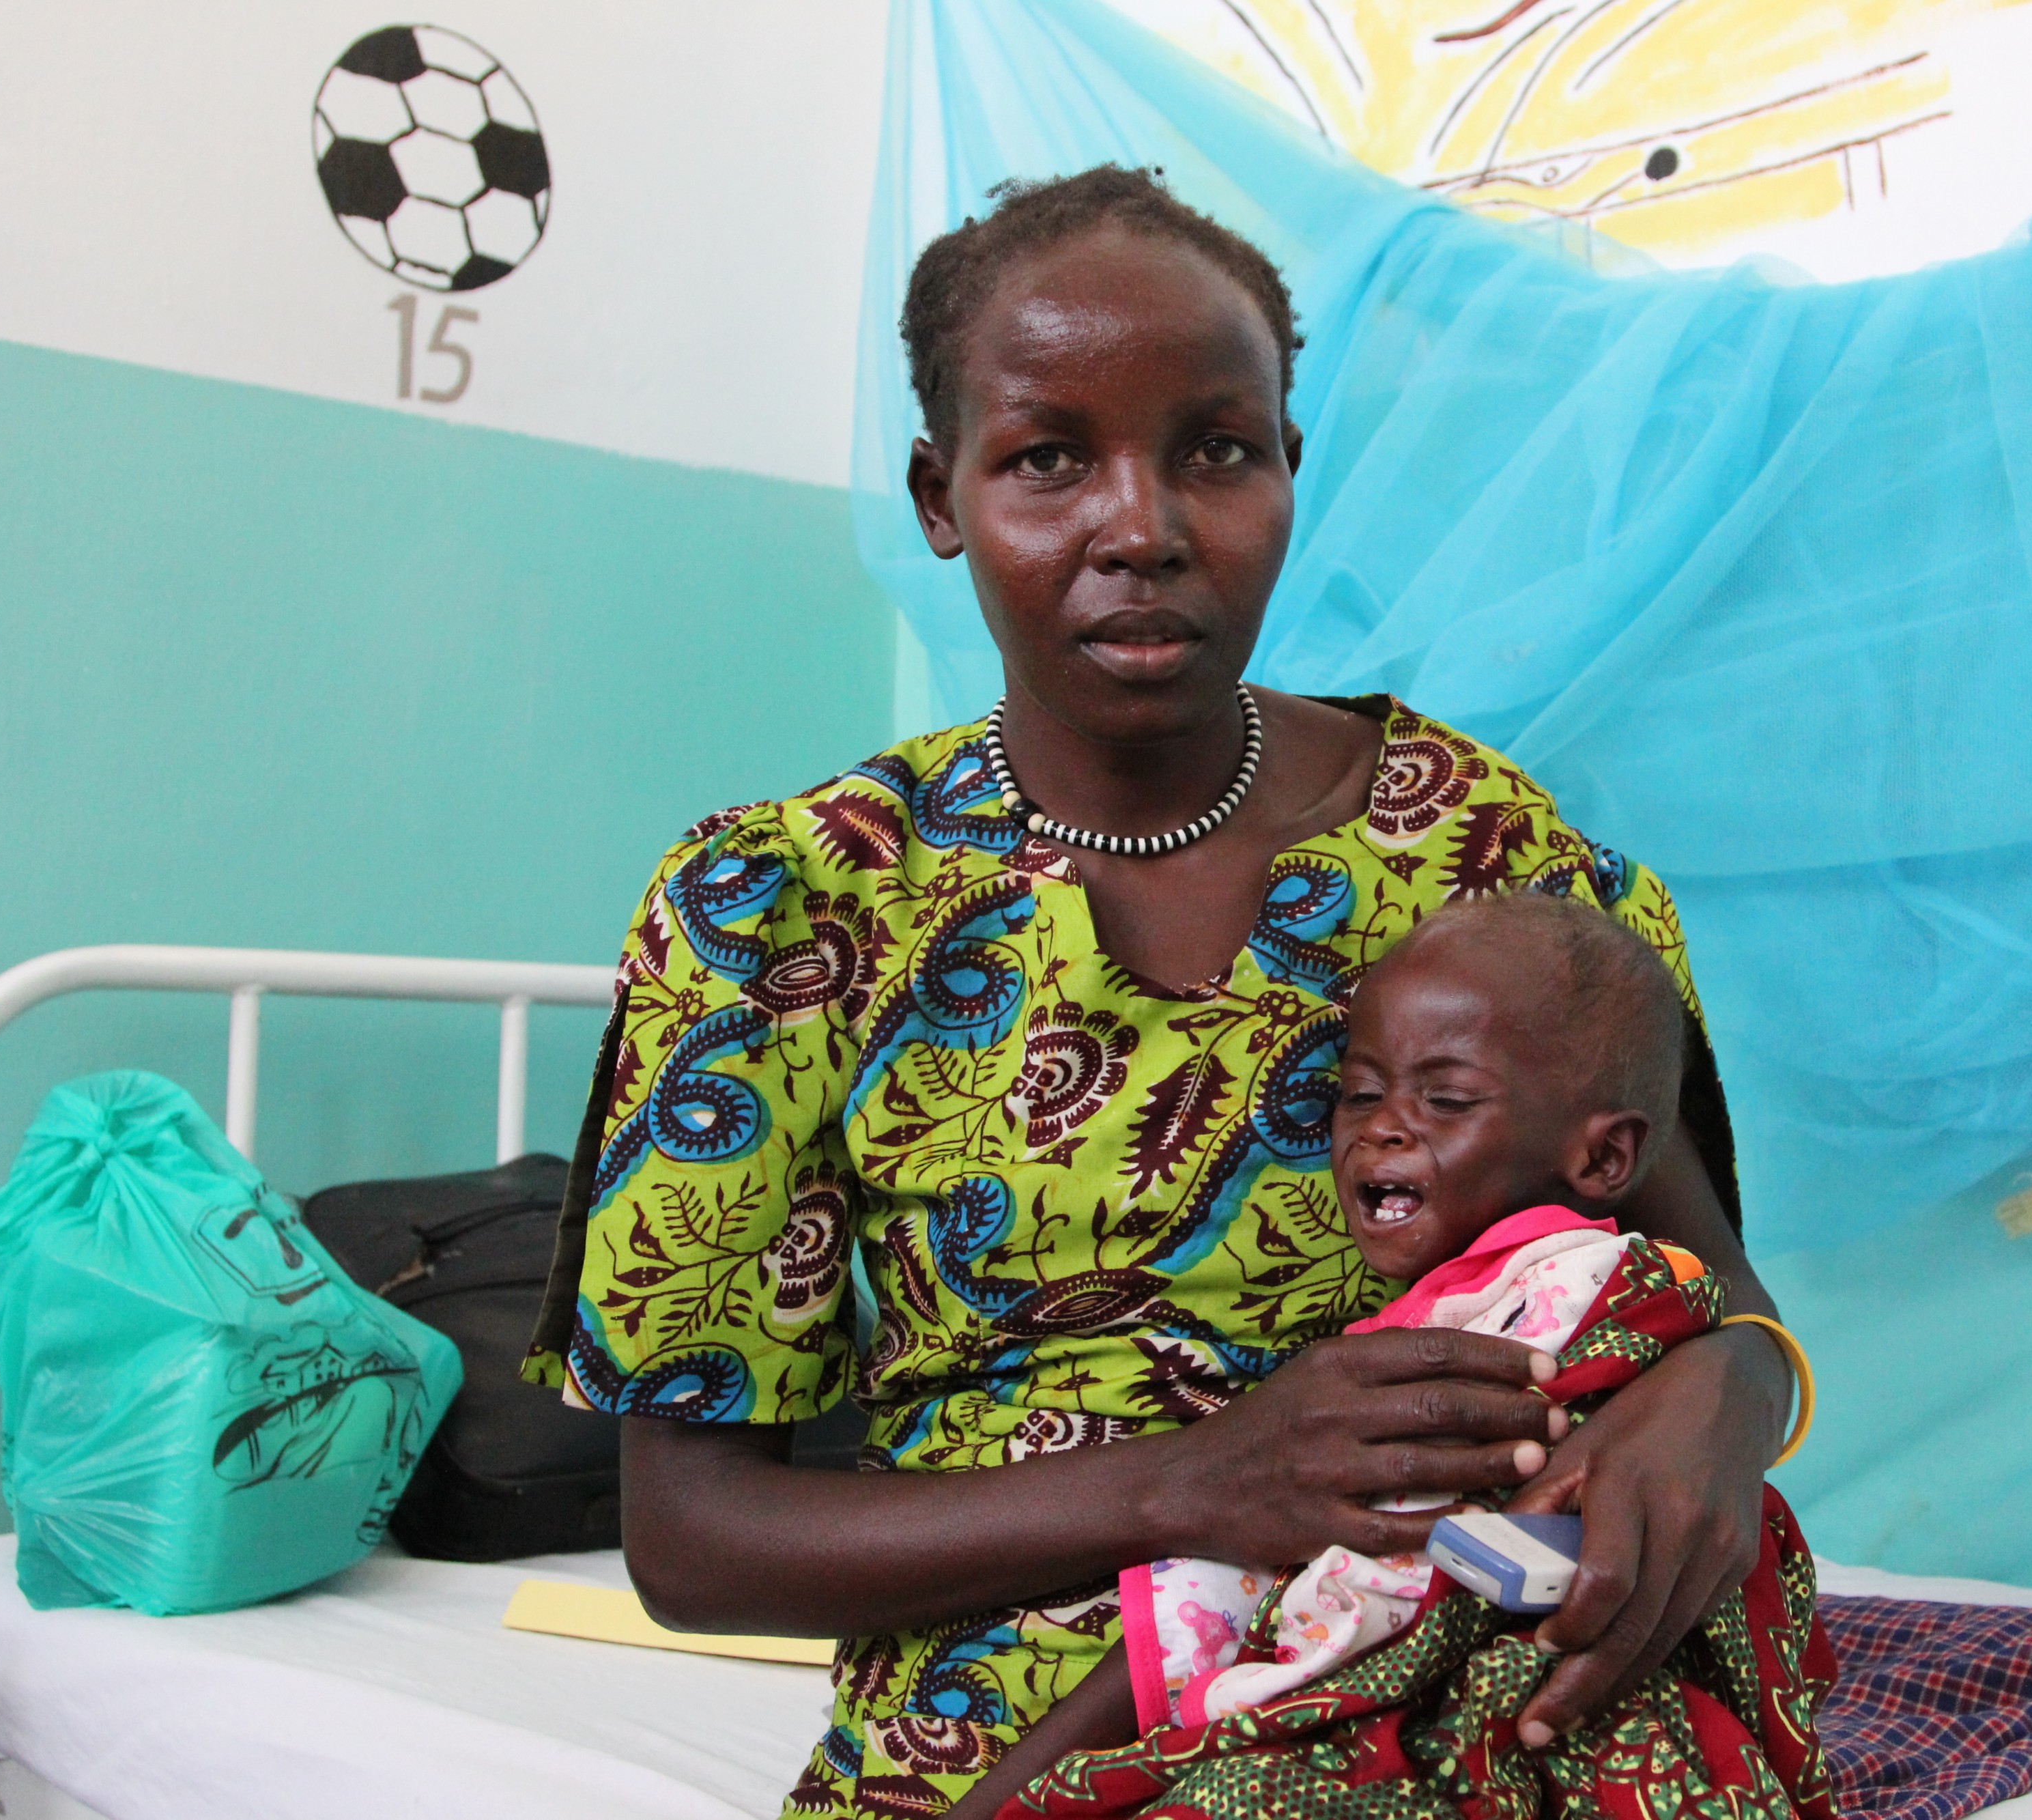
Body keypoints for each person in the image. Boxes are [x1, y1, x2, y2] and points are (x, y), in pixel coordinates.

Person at [524, 164, 1797, 1820]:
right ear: (940, 492)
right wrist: (1203, 1482)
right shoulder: (782, 913)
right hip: (999, 1739)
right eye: (1050, 456)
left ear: (1285, 469)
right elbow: (692, 1545)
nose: (1144, 526)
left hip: (1445, 1682)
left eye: (1218, 449)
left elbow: (1716, 1291)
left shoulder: (1484, 851)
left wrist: (1718, 1400)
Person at [937, 890, 1827, 1820]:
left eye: (1446, 1099)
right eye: (1360, 1092)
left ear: (1603, 1159)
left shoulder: (1568, 1297)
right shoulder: (1435, 1321)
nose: (1384, 1126)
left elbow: (1408, 1554)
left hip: (1567, 1687)